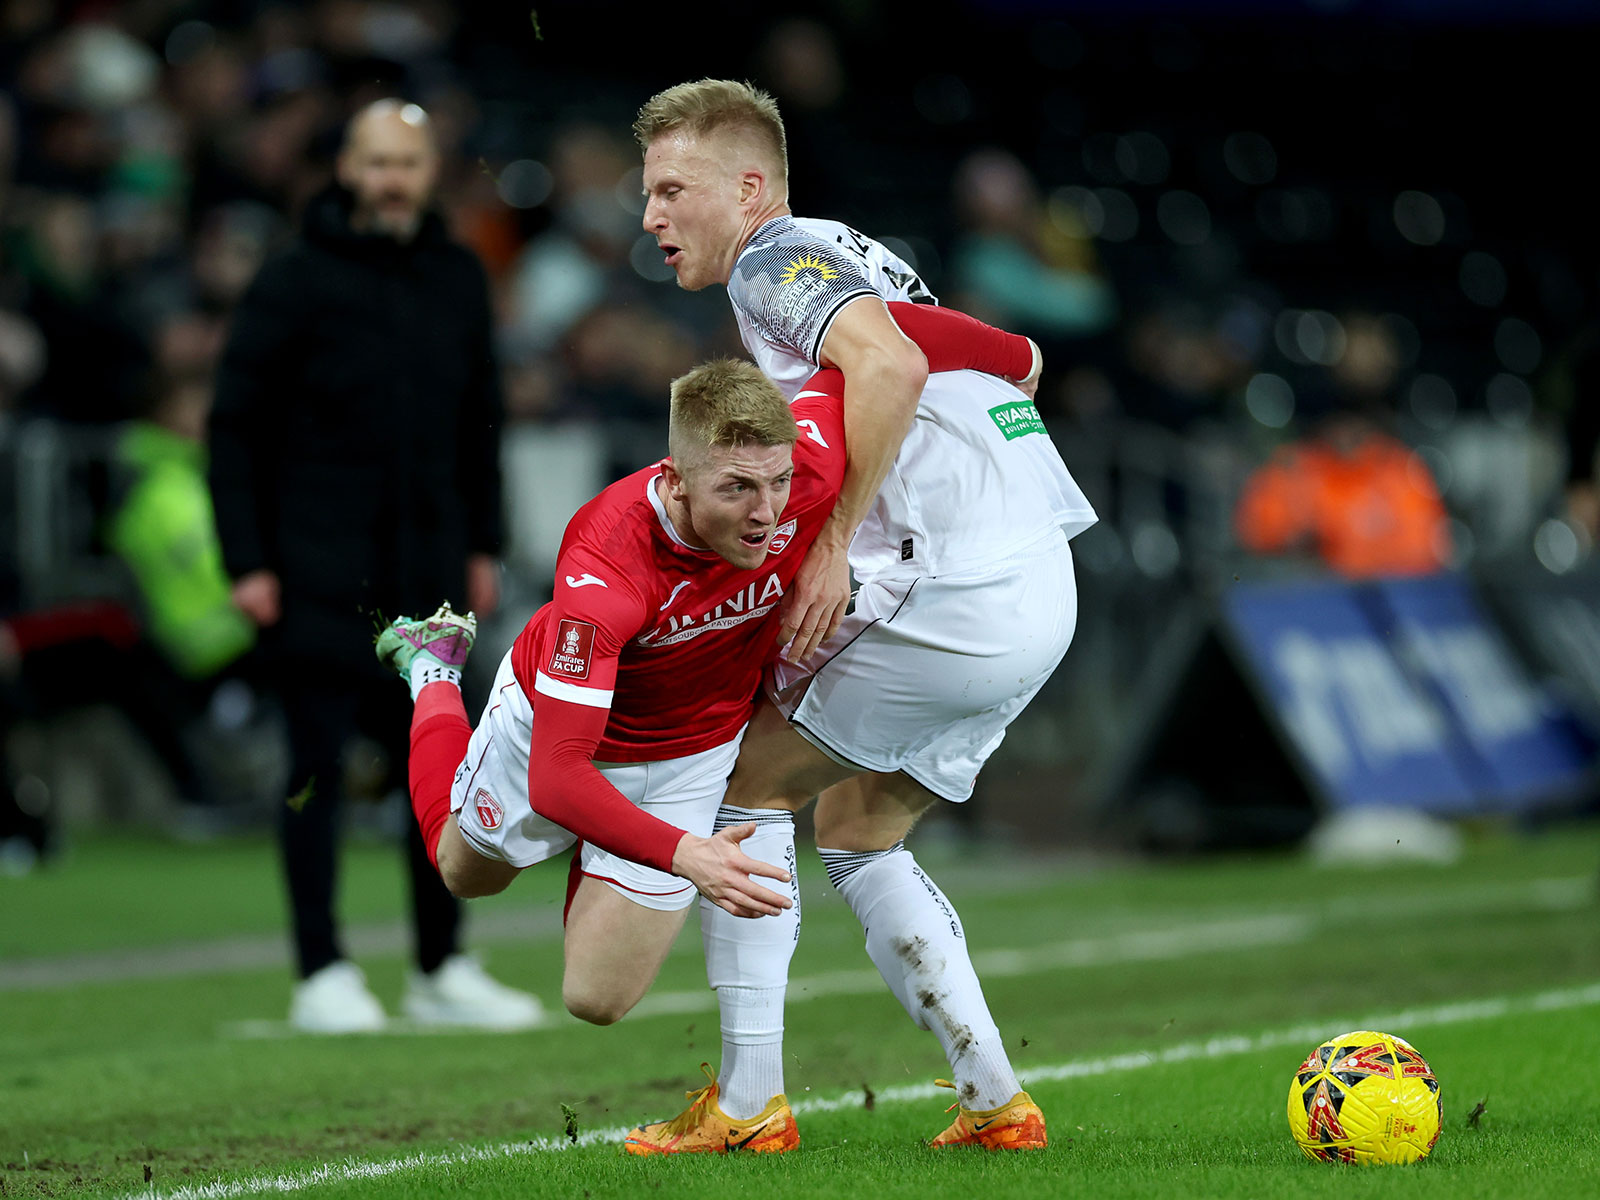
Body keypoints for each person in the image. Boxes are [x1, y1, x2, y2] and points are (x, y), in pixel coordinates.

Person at [379, 308, 1037, 1153]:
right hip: (563, 730)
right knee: (465, 872)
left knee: (597, 1000)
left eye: (777, 482)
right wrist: (684, 853)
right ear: (679, 481)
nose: (768, 514)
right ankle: (433, 667)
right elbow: (558, 779)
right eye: (737, 490)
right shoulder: (606, 569)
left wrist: (1020, 355)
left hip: (690, 753)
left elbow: (895, 343)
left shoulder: (805, 463)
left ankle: (736, 1076)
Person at [627, 79, 1097, 1153]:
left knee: (743, 787)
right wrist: (1012, 358)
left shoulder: (768, 262)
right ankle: (995, 1103)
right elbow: (1001, 354)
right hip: (1041, 583)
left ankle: (747, 1108)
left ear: (747, 189)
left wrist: (831, 542)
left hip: (960, 585)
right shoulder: (848, 251)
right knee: (857, 827)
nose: (650, 217)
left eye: (670, 190)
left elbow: (886, 361)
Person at [208, 99, 537, 1033]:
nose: (393, 177)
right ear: (347, 168)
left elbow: (483, 423)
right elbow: (235, 429)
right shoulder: (292, 280)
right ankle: (322, 972)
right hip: (312, 574)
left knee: (444, 774)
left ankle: (441, 966)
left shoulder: (458, 275)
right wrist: (248, 561)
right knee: (312, 772)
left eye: (409, 161)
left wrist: (482, 541)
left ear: (430, 171)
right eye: (376, 160)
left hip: (427, 575)